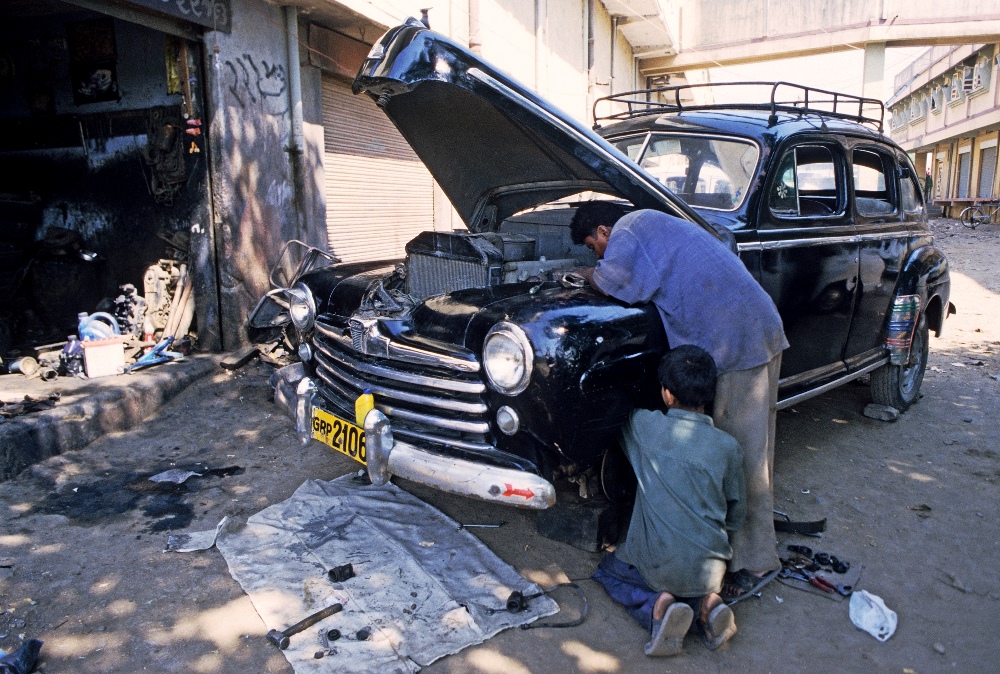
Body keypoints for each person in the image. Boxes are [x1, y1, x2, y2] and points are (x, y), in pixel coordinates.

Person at [571, 203, 789, 603]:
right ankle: (722, 550)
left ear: (603, 230)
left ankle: (756, 560)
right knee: (742, 448)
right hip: (751, 328)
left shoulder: (627, 232)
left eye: (593, 246)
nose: (598, 254)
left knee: (743, 453)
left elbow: (616, 283)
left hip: (740, 341)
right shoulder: (651, 222)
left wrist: (584, 275)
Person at [592, 346, 745, 656]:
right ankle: (708, 605)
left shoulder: (645, 428)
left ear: (667, 394)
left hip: (660, 568)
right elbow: (737, 511)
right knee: (692, 575)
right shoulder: (728, 447)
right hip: (713, 569)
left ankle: (657, 609)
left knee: (607, 572)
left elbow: (617, 408)